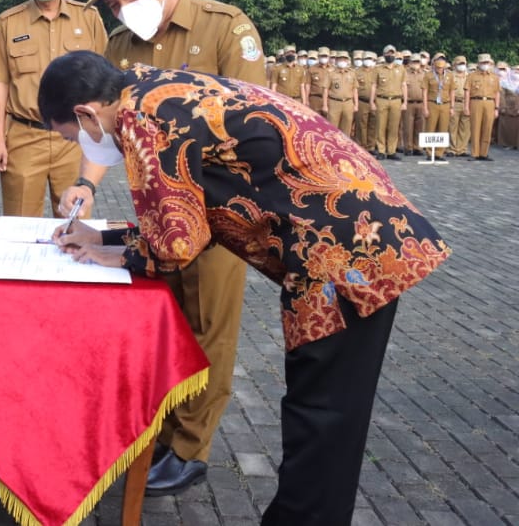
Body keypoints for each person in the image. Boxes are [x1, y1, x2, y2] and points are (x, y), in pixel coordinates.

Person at [37, 51, 451, 526]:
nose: (84, 147)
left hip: (348, 255)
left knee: (322, 415)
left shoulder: (144, 119)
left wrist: (123, 254)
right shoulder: (151, 87)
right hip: (357, 234)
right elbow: (194, 212)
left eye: (72, 136)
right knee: (324, 414)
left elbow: (176, 245)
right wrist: (107, 238)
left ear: (87, 113)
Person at [77, 0, 265, 496]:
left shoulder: (224, 27)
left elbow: (255, 121)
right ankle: (159, 431)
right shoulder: (118, 46)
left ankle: (190, 447)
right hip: (157, 208)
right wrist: (86, 184)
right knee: (162, 323)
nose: (122, 9)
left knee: (208, 325)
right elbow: (109, 124)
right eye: (111, 4)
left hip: (218, 208)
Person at [0, 0, 106, 217]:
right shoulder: (8, 22)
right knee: (20, 226)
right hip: (24, 139)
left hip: (74, 140)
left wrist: (100, 137)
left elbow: (103, 79)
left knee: (74, 225)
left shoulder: (88, 17)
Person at [370, 44, 407, 160]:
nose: (390, 55)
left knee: (394, 127)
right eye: (388, 53)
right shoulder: (378, 69)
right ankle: (381, 150)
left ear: (395, 54)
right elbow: (374, 86)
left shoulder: (400, 69)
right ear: (384, 54)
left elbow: (404, 85)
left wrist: (405, 102)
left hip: (396, 100)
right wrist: (372, 101)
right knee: (380, 126)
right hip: (382, 99)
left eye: (392, 53)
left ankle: (391, 150)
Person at [464, 53, 501, 161]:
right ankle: (475, 153)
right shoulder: (472, 76)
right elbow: (467, 92)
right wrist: (466, 106)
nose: (485, 64)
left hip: (490, 103)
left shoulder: (494, 77)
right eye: (483, 62)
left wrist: (496, 108)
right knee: (475, 128)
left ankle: (484, 153)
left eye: (487, 62)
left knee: (487, 128)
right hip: (476, 101)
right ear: (478, 63)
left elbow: (497, 93)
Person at [322, 49, 358, 136]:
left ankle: (345, 147)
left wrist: (356, 104)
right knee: (332, 128)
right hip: (334, 103)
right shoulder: (331, 73)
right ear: (336, 60)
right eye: (340, 59)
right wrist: (325, 105)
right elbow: (325, 89)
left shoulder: (352, 73)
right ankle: (332, 146)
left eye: (344, 59)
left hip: (348, 103)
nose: (342, 61)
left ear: (347, 60)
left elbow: (355, 89)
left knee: (347, 127)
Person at [425, 52, 453, 139]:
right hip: (432, 104)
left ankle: (440, 152)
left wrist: (452, 107)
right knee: (430, 128)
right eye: (438, 60)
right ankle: (430, 151)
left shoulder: (449, 75)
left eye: (442, 60)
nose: (440, 62)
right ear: (434, 62)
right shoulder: (428, 75)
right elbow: (425, 92)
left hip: (445, 104)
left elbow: (452, 91)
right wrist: (425, 108)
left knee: (443, 129)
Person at [447, 55, 471, 157]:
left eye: (463, 63)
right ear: (454, 65)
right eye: (459, 63)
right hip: (454, 102)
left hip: (466, 102)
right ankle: (452, 149)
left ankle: (462, 149)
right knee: (452, 127)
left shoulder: (469, 76)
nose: (462, 66)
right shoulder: (450, 76)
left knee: (465, 128)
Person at [497, 62, 519, 149]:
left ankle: (515, 144)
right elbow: (501, 96)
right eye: (515, 70)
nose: (517, 73)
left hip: (517, 108)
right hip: (507, 108)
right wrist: (502, 107)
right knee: (507, 127)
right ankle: (507, 143)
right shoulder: (504, 83)